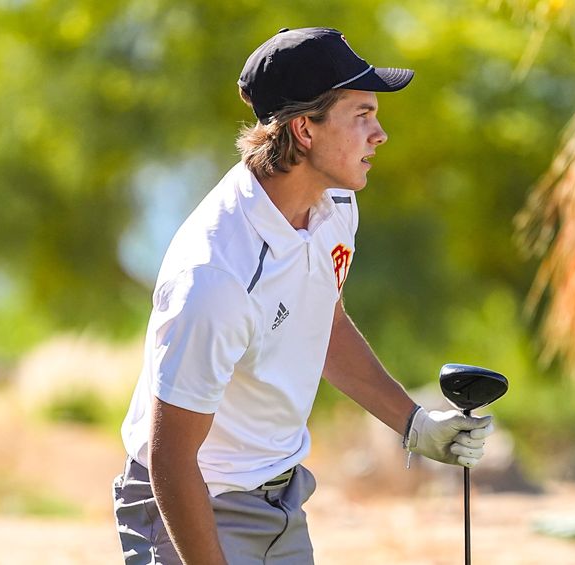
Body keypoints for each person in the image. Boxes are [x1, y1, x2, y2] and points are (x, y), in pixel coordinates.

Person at [113, 26, 495, 565]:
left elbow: (324, 324)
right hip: (190, 506)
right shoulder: (216, 276)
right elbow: (170, 462)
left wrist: (415, 426)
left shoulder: (335, 203)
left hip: (282, 501)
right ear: (304, 130)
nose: (379, 134)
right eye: (362, 115)